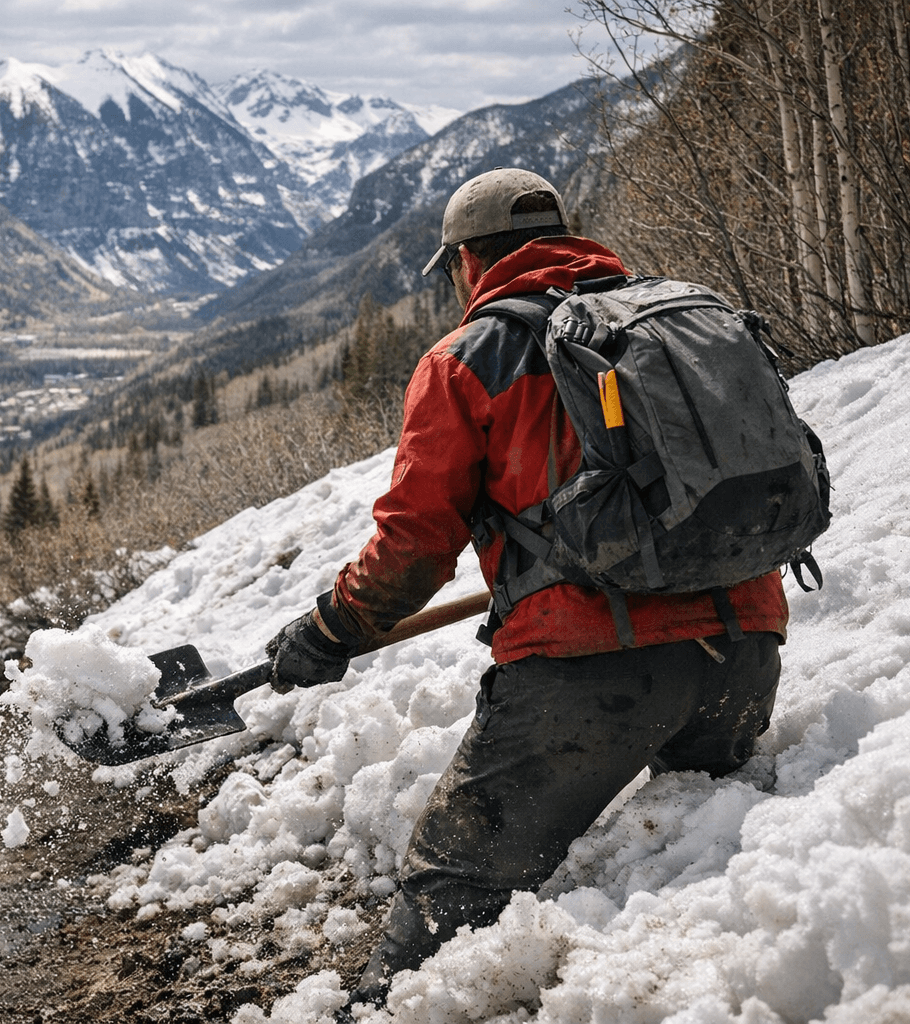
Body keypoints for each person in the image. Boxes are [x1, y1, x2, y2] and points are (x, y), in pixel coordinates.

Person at [264, 168, 789, 1012]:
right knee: (689, 840)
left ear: (469, 263)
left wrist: (331, 629)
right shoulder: (684, 319)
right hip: (747, 650)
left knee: (448, 894)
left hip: (589, 674)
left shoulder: (466, 361)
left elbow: (412, 547)